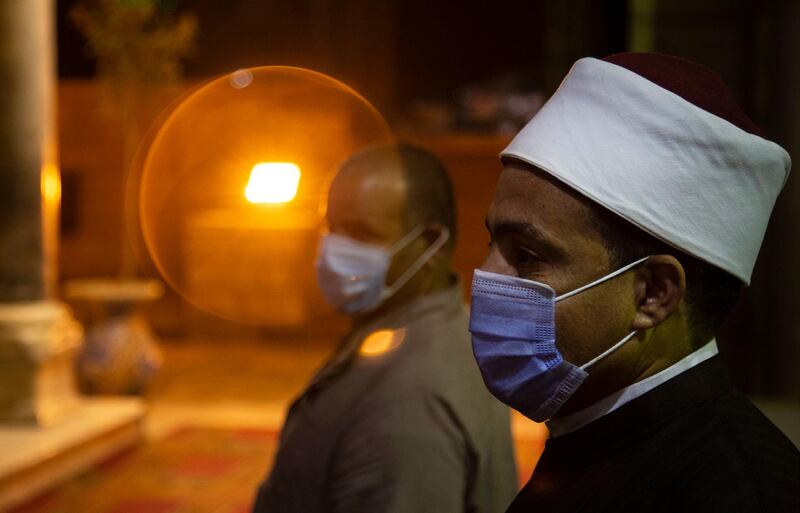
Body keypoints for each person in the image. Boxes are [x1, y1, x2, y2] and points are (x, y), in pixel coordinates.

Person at [469, 52, 799, 512]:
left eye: (526, 256)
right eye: (491, 244)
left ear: (653, 294)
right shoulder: (591, 438)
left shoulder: (736, 492)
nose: (486, 278)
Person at [253, 143, 518, 513]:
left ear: (430, 245)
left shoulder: (411, 401)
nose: (335, 250)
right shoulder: (435, 333)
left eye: (362, 234)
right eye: (331, 228)